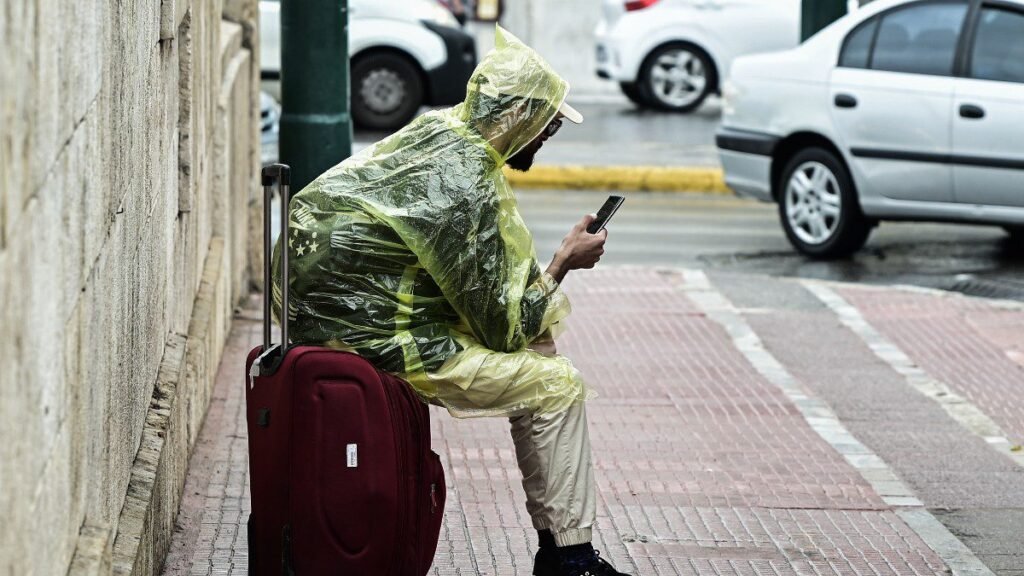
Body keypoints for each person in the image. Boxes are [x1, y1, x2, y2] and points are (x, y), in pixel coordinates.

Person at [273, 26, 630, 576]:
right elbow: (503, 327)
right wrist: (563, 261)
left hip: (329, 321)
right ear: (517, 116)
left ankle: (561, 547)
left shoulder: (440, 135)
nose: (546, 138)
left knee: (540, 350)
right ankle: (570, 560)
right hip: (377, 340)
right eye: (547, 125)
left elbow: (486, 295)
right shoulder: (465, 180)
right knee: (557, 386)